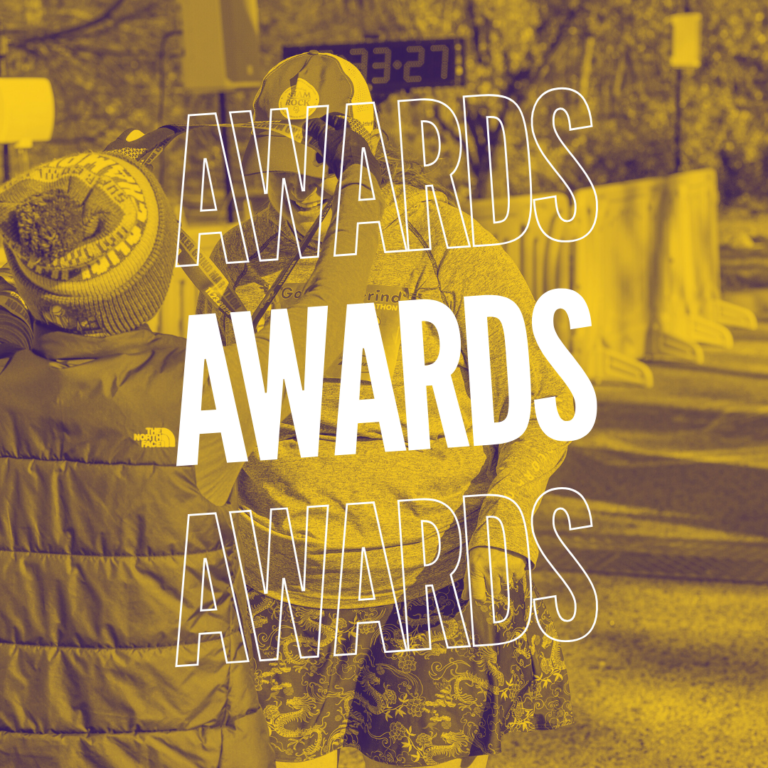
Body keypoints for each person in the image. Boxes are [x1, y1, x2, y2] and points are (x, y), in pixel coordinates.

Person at [196, 52, 575, 768]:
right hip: (284, 585)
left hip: (434, 581)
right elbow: (222, 417)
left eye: (323, 156)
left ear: (364, 147)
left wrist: (506, 522)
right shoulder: (246, 254)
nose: (302, 182)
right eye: (280, 160)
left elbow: (546, 398)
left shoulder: (444, 242)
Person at [0, 127, 378, 767]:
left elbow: (22, 279)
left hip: (25, 732)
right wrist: (362, 193)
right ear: (156, 280)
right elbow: (330, 308)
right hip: (184, 733)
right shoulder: (208, 388)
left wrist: (86, 195)